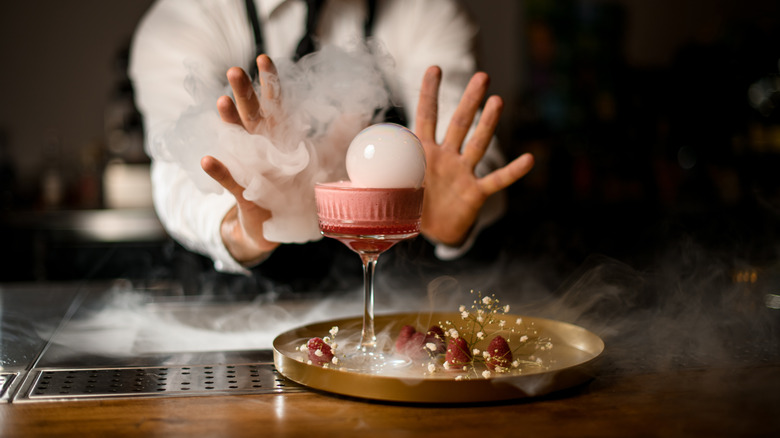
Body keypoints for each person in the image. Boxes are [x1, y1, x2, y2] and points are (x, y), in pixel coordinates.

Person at [128, 0, 534, 282]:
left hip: (400, 292)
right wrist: (242, 227)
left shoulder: (426, 11)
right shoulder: (183, 20)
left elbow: (460, 146)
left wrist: (449, 212)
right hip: (238, 305)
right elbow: (177, 178)